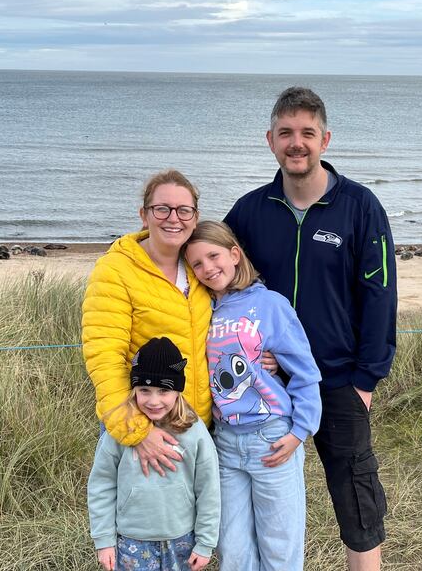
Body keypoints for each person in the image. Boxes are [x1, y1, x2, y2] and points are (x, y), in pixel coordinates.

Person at [224, 87, 397, 571]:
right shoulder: (249, 211)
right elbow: (213, 273)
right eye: (285, 133)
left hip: (341, 380)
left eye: (306, 133)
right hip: (266, 384)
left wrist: (367, 380)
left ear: (325, 139)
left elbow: (380, 295)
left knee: (355, 493)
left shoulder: (361, 207)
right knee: (265, 496)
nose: (295, 143)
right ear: (270, 140)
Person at [183, 220, 322, 571]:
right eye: (197, 264)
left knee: (279, 545)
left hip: (271, 438)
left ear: (234, 254)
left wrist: (299, 432)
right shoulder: (202, 310)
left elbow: (305, 371)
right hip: (225, 442)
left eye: (213, 256)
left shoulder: (270, 304)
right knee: (232, 547)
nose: (207, 269)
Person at [82, 169, 212, 477]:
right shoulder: (115, 269)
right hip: (146, 425)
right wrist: (137, 432)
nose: (173, 218)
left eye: (184, 210)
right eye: (161, 209)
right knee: (140, 522)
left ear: (195, 217)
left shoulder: (201, 267)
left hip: (198, 425)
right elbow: (104, 359)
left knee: (199, 520)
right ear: (144, 214)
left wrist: (266, 354)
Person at [87, 336, 220, 571]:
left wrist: (206, 542)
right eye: (144, 390)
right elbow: (101, 485)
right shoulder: (121, 431)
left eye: (163, 390)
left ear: (178, 390)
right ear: (134, 389)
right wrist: (104, 541)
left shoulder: (195, 431)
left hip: (182, 538)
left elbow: (208, 488)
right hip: (130, 540)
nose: (154, 400)